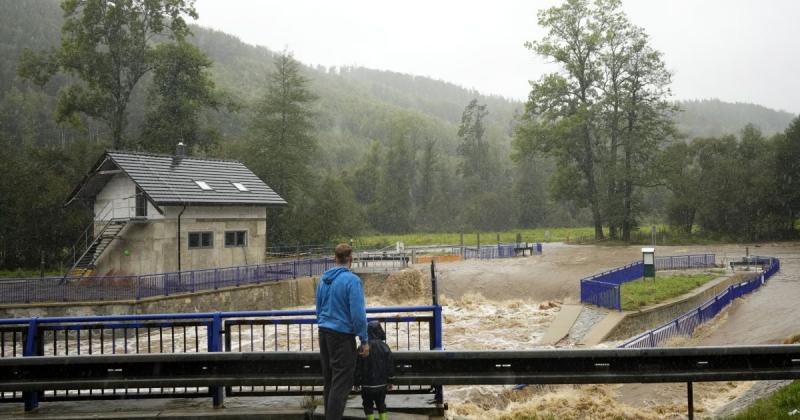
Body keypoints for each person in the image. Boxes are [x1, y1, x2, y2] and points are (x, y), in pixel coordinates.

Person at [316, 243, 369, 420]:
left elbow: (319, 307)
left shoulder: (324, 279)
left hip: (324, 333)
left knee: (329, 381)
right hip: (341, 336)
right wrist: (364, 339)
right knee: (341, 383)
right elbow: (358, 314)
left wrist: (324, 324)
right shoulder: (352, 281)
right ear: (351, 260)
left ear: (335, 258)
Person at [355, 321, 394, 420]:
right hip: (381, 385)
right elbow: (389, 366)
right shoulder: (385, 347)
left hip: (366, 385)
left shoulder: (362, 348)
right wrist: (390, 381)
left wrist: (356, 382)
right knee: (381, 404)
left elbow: (357, 367)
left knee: (368, 405)